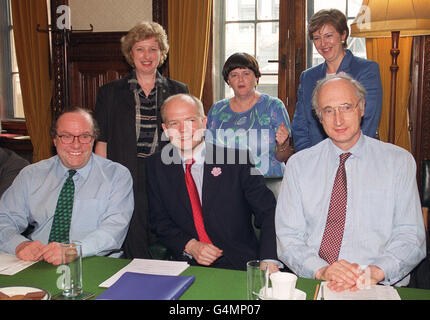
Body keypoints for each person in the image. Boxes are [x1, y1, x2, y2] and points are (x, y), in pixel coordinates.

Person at [275, 73, 426, 291]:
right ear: (319, 117)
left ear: (362, 108)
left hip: (378, 284)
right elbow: (288, 236)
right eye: (328, 110)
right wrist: (322, 270)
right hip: (315, 280)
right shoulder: (298, 165)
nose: (338, 119)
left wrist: (375, 271)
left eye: (346, 107)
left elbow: (411, 235)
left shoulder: (399, 162)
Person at [146, 93, 280, 271]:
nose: (183, 130)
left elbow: (268, 211)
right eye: (174, 123)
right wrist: (190, 245)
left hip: (238, 263)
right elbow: (159, 221)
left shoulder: (236, 160)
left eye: (190, 120)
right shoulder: (156, 166)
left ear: (204, 122)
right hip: (185, 264)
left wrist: (269, 259)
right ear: (164, 128)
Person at [94, 21, 189, 259]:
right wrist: (101, 179)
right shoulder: (110, 92)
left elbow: (188, 138)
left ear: (162, 54)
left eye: (153, 49)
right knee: (132, 231)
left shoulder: (179, 90)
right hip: (125, 171)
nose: (147, 56)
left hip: (166, 170)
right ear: (130, 54)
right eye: (140, 49)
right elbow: (102, 140)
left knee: (168, 228)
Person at [0, 107, 134, 265]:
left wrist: (72, 250)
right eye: (67, 136)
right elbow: (4, 219)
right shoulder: (31, 175)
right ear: (55, 140)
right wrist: (19, 245)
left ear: (93, 139)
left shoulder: (117, 176)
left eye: (84, 136)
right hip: (38, 263)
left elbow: (113, 231)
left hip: (94, 264)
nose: (76, 145)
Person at [292, 8, 382, 152]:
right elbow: (300, 127)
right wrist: (308, 158)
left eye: (328, 36)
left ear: (343, 35)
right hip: (316, 160)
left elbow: (368, 121)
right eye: (317, 38)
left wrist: (342, 158)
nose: (323, 43)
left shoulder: (366, 70)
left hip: (356, 158)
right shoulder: (307, 77)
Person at [206, 52, 293, 198]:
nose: (240, 79)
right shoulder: (217, 110)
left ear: (256, 78)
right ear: (228, 80)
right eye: (234, 75)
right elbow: (210, 154)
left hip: (269, 185)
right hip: (229, 187)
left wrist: (282, 144)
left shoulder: (274, 106)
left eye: (246, 73)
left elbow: (283, 156)